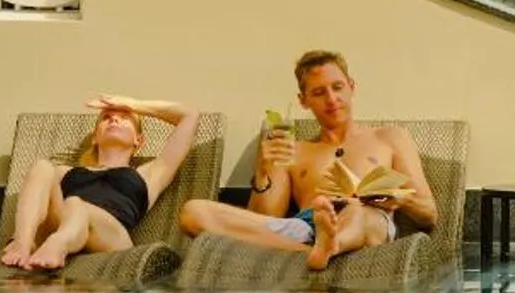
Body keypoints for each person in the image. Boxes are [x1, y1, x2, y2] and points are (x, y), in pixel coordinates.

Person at [178, 50, 438, 270]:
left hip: (367, 218)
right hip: (305, 226)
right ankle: (315, 251)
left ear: (352, 87)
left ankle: (331, 243)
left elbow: (429, 214)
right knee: (193, 212)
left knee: (356, 211)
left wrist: (396, 198)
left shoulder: (390, 138)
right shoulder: (294, 150)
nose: (332, 99)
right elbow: (265, 219)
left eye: (338, 88)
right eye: (319, 92)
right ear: (303, 101)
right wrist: (263, 171)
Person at [0, 94, 200, 272]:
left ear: (138, 140)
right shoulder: (65, 171)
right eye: (106, 118)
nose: (114, 118)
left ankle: (58, 244)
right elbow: (37, 202)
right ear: (95, 137)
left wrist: (132, 104)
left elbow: (189, 115)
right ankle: (22, 244)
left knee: (75, 203)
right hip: (63, 222)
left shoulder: (151, 173)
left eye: (125, 118)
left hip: (110, 237)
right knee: (42, 167)